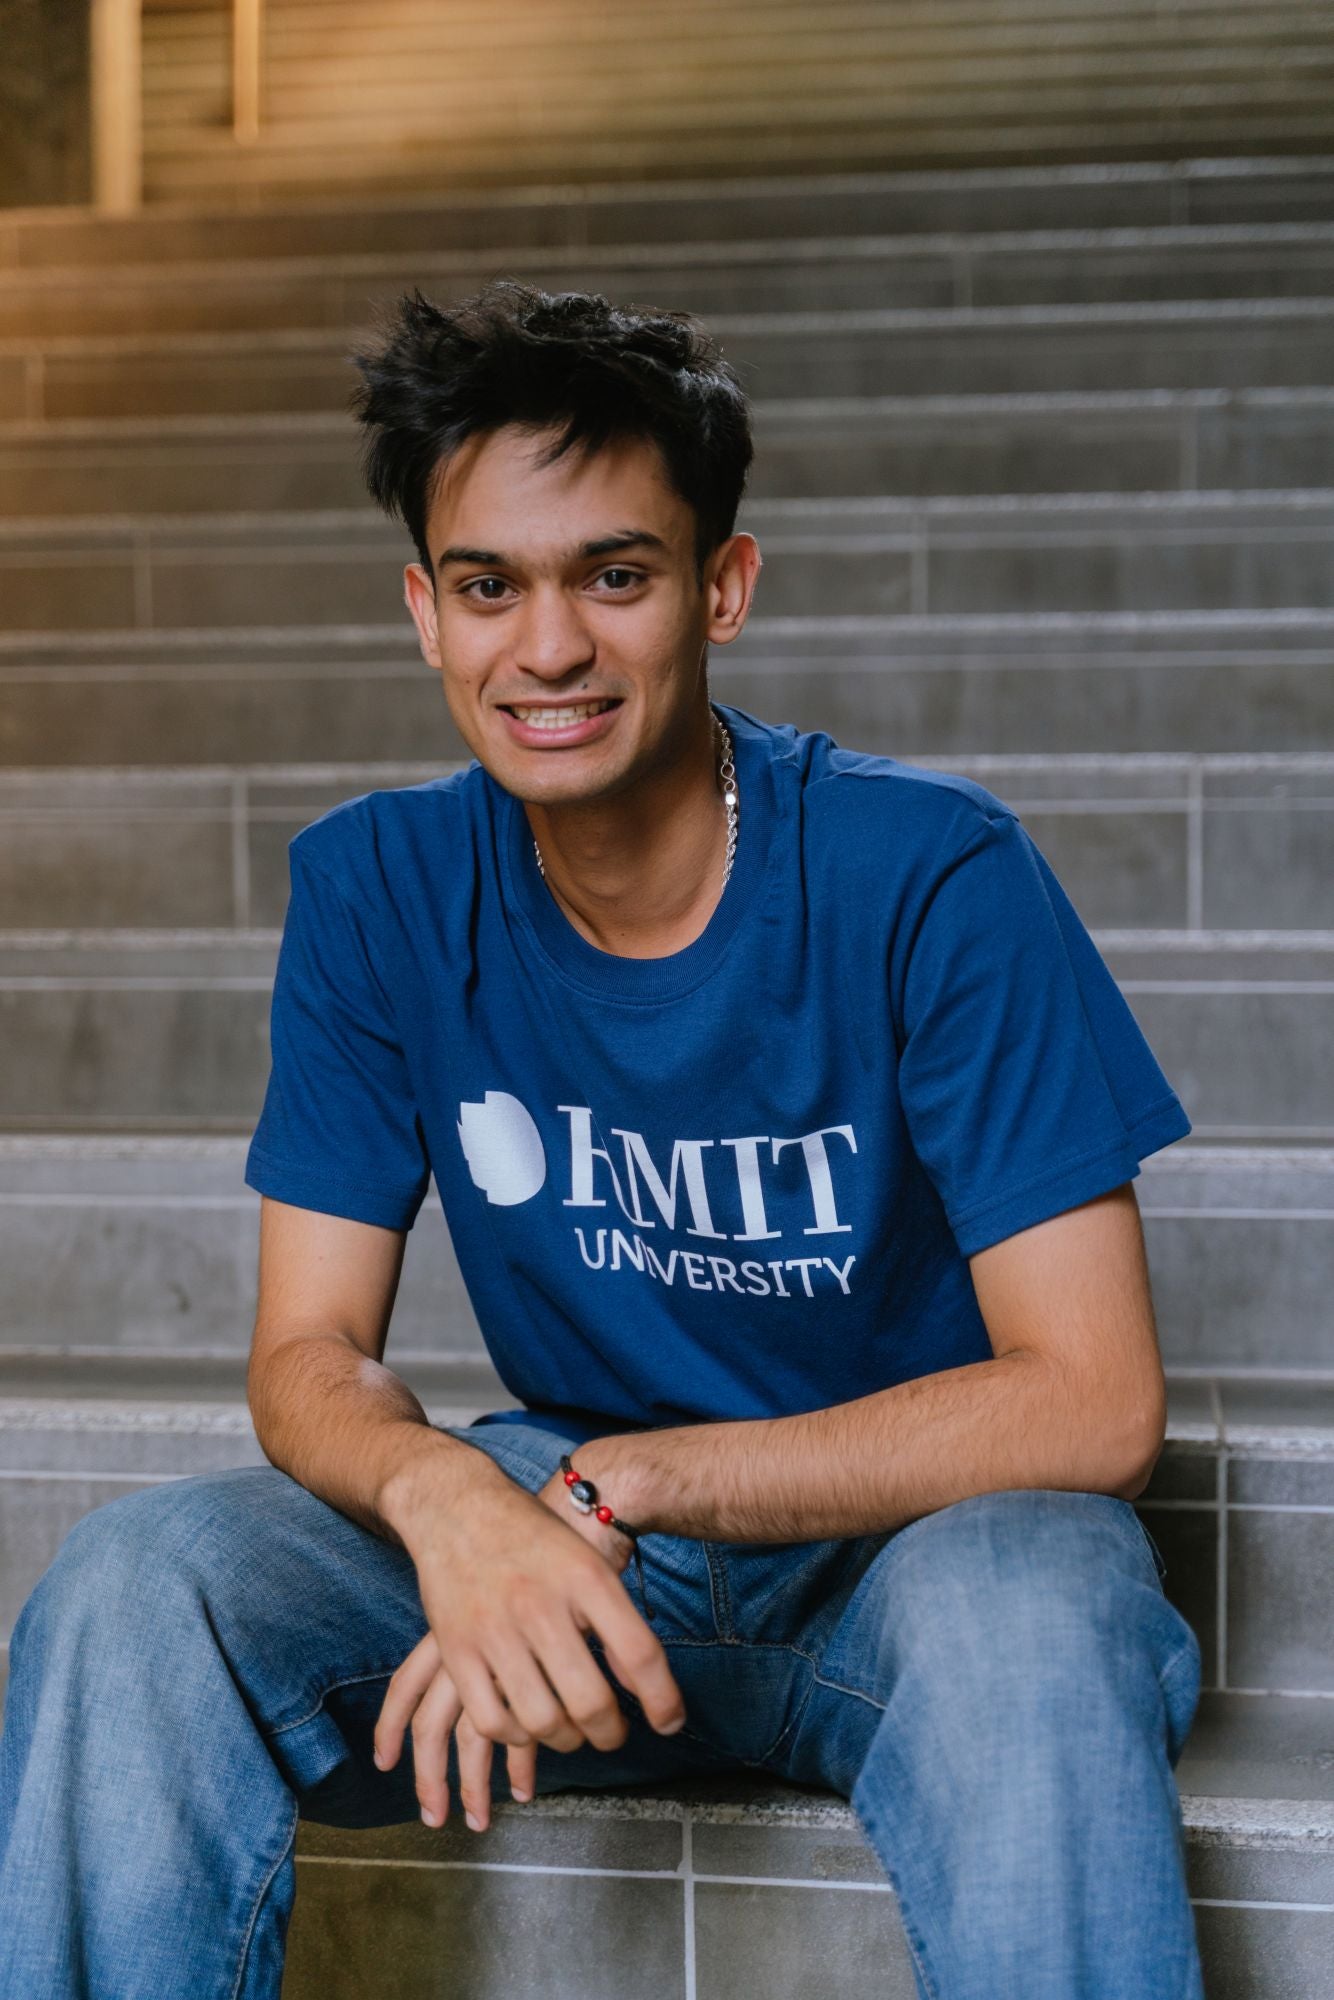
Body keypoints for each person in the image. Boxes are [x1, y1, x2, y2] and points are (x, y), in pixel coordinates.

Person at [0, 280, 1206, 2000]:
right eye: (489, 586)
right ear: (424, 611)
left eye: (613, 576)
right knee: (134, 1589)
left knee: (1036, 1624)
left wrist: (615, 1484)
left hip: (915, 1550)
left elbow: (1092, 1398)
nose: (545, 648)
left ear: (721, 585)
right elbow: (304, 1353)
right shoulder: (376, 887)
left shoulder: (931, 874)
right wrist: (449, 1506)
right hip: (556, 1542)